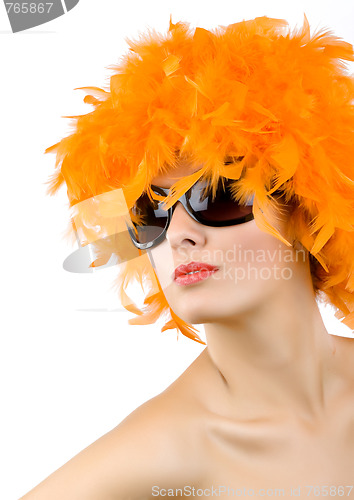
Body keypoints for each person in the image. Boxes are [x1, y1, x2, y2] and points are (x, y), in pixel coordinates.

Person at [20, 15, 354, 500]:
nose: (178, 235)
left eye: (217, 195)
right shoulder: (163, 456)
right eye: (149, 212)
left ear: (306, 208)